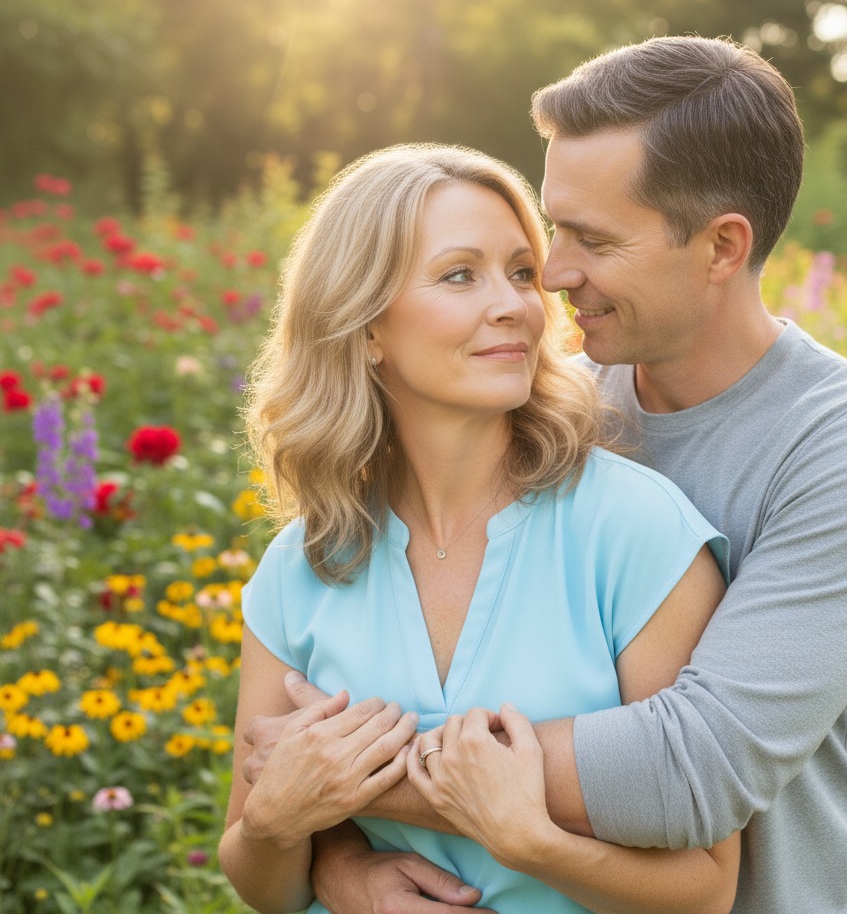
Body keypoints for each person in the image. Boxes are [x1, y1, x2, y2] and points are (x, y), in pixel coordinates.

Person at [244, 36, 847, 914]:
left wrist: (332, 780)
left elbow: (690, 767)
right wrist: (334, 860)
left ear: (722, 246)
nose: (556, 275)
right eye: (553, 230)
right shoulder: (554, 409)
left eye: (593, 239)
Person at [218, 142, 741, 914]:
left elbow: (706, 889)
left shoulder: (635, 531)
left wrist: (530, 841)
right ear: (366, 328)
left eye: (522, 272)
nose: (516, 305)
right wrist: (291, 837)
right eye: (461, 274)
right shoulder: (300, 566)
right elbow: (255, 868)